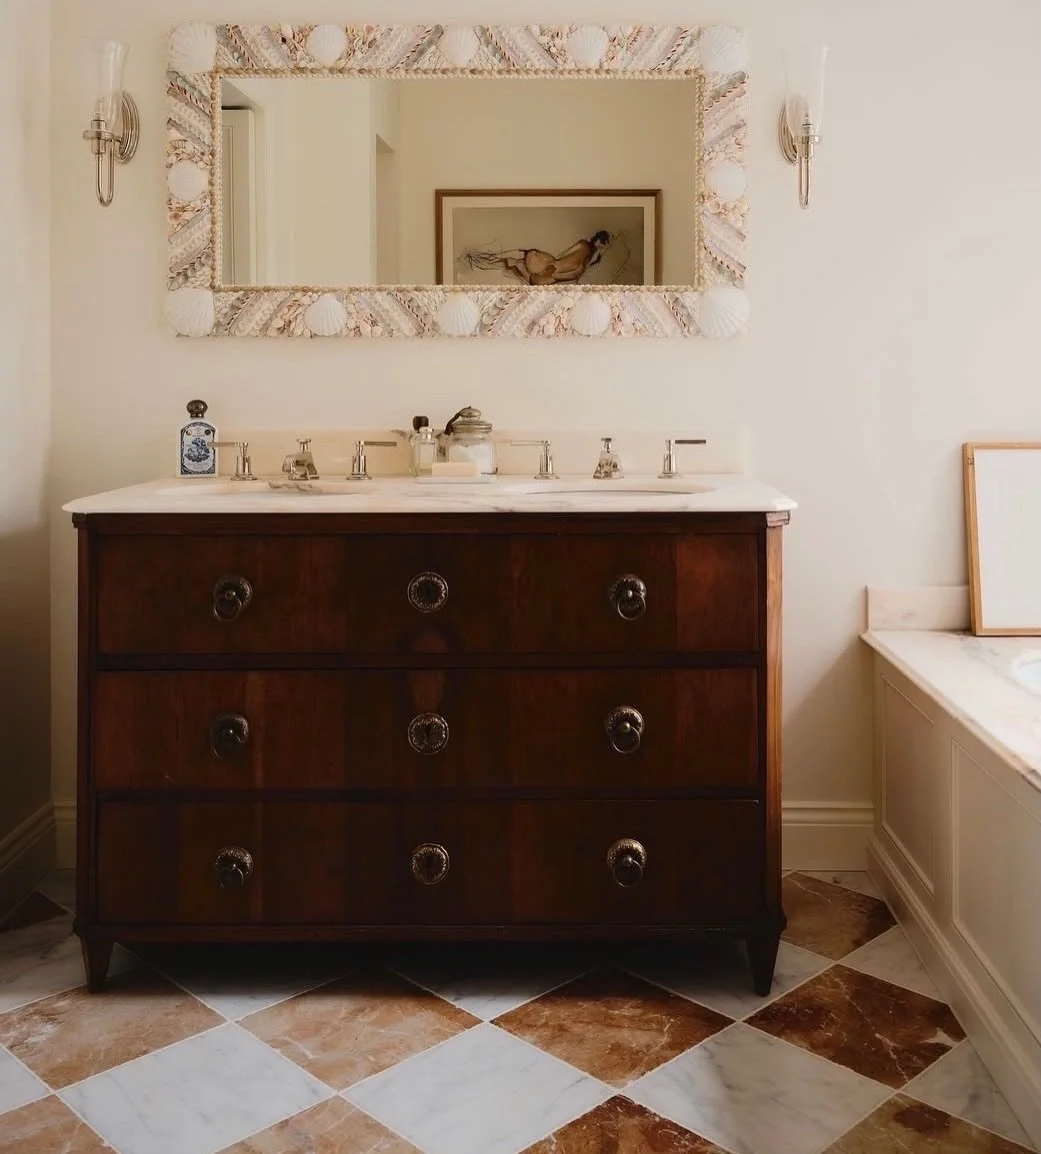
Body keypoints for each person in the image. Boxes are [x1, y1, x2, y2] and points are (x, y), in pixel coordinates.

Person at [463, 230, 611, 285]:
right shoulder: (584, 245)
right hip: (550, 267)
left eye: (603, 245)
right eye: (602, 243)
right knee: (513, 262)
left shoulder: (590, 256)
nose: (601, 246)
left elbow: (577, 272)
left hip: (551, 274)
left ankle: (480, 262)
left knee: (514, 264)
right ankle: (480, 261)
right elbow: (565, 254)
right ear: (598, 240)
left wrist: (600, 255)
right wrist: (554, 264)